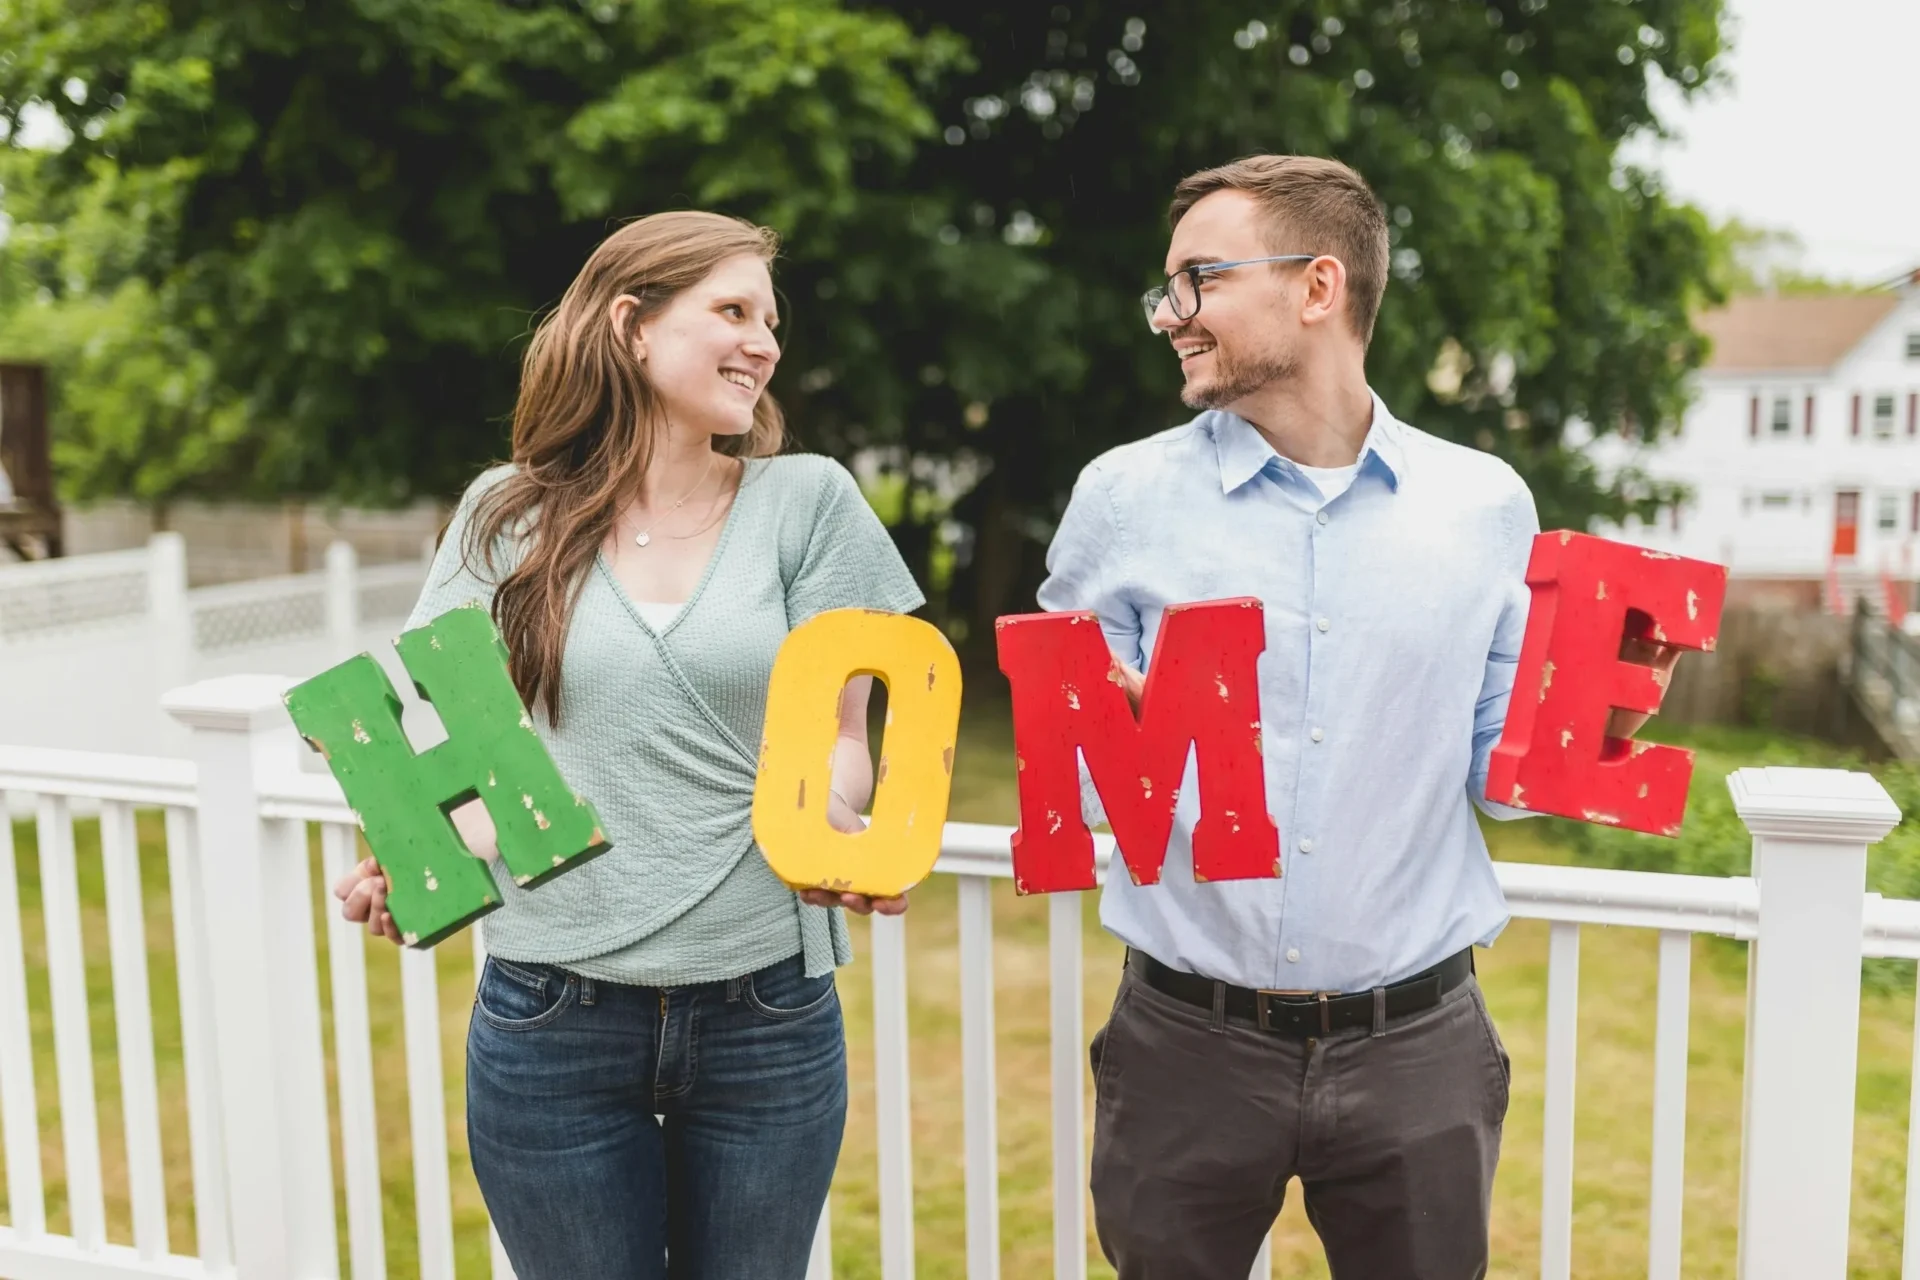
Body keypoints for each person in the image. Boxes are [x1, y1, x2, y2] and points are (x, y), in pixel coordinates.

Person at [1037, 155, 1679, 1278]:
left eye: (1198, 281)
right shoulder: (1120, 497)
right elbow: (1076, 785)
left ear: (1318, 286)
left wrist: (1598, 722)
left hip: (1418, 1048)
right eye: (1167, 287)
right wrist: (1106, 740)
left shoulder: (1486, 504)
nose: (1168, 316)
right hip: (1186, 1041)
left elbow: (1497, 770)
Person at [330, 210, 923, 1279]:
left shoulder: (810, 504)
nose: (764, 341)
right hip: (552, 1012)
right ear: (631, 325)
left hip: (766, 1011)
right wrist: (428, 858)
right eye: (732, 310)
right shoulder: (504, 517)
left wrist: (840, 821)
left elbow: (845, 736)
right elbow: (478, 761)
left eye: (771, 320)